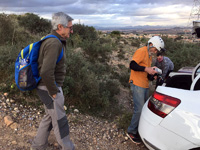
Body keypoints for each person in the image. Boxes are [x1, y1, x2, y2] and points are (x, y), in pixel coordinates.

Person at [31, 12, 75, 150]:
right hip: (49, 88)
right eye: (70, 27)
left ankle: (37, 146)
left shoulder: (51, 40)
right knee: (60, 122)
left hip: (45, 87)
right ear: (60, 27)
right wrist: (54, 92)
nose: (72, 30)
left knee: (49, 117)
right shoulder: (54, 43)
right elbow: (45, 71)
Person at [126, 36, 165, 144]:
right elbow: (132, 65)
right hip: (137, 84)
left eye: (157, 50)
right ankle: (131, 131)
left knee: (143, 109)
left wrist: (152, 75)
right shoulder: (141, 51)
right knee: (139, 109)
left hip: (144, 85)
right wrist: (146, 69)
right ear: (151, 44)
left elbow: (146, 73)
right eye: (156, 49)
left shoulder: (149, 56)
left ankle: (138, 130)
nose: (155, 51)